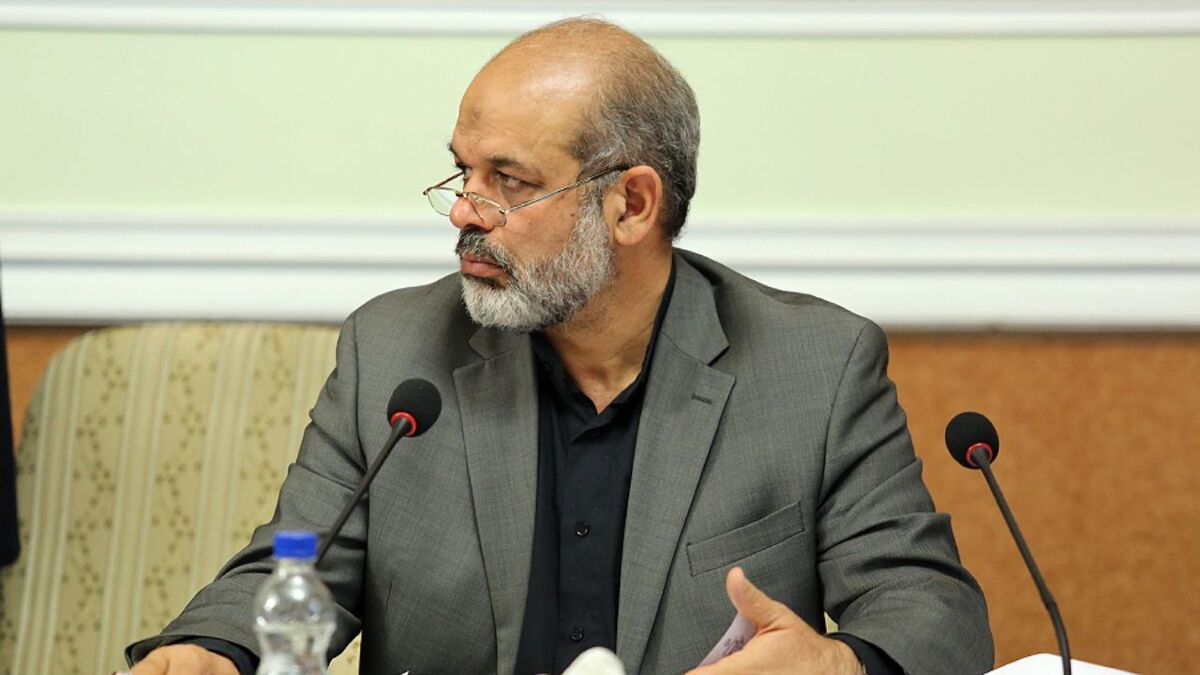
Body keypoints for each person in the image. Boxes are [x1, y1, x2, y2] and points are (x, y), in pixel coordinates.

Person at [127, 17, 993, 675]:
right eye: (462, 170)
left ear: (632, 205)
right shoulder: (395, 351)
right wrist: (213, 648)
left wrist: (841, 665)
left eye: (509, 180)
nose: (464, 208)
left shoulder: (814, 366)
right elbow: (297, 568)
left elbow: (932, 610)